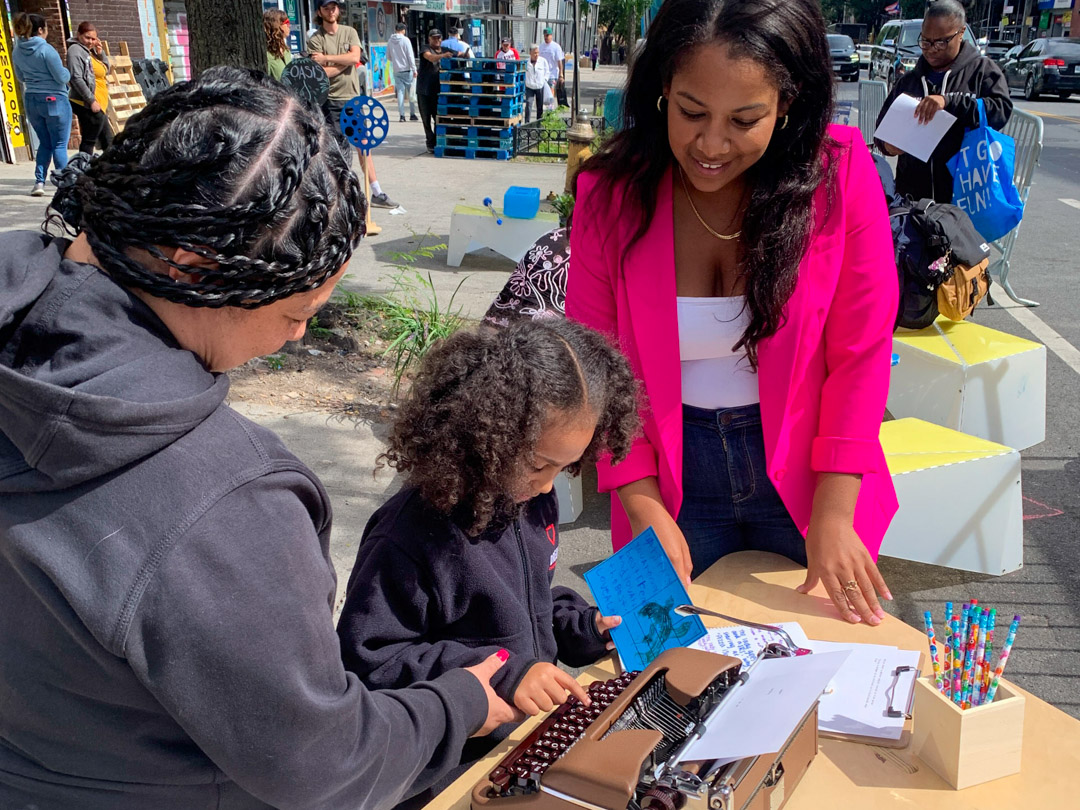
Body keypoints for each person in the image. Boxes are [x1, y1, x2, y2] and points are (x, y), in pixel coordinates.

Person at [0, 66, 515, 810]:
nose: (298, 337)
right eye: (296, 312)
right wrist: (454, 706)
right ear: (193, 267)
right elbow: (320, 764)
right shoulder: (224, 501)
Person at [567, 0, 899, 627]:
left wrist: (833, 512)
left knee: (824, 681)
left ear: (787, 103)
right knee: (665, 681)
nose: (711, 145)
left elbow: (861, 351)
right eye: (691, 112)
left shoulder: (839, 175)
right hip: (663, 475)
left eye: (745, 120)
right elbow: (595, 370)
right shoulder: (608, 196)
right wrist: (641, 502)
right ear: (663, 87)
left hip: (811, 476)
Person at [337, 318, 639, 806]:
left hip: (520, 744)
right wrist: (501, 671)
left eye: (567, 467)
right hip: (446, 770)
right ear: (485, 432)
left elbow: (528, 604)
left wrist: (583, 625)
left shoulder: (530, 500)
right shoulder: (410, 534)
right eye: (540, 464)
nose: (548, 485)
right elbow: (369, 660)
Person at [875, 1, 1012, 204]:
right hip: (913, 198)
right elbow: (882, 131)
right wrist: (889, 147)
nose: (931, 50)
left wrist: (949, 102)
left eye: (940, 42)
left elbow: (1000, 111)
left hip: (965, 197)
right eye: (925, 42)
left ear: (961, 32)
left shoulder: (983, 71)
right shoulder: (910, 81)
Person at [308, 0, 397, 208]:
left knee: (363, 146)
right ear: (319, 11)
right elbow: (321, 73)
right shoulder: (315, 39)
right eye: (327, 8)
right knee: (336, 151)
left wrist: (330, 59)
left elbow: (356, 56)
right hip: (329, 100)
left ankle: (377, 191)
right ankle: (339, 196)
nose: (332, 11)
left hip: (353, 99)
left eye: (334, 7)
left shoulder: (350, 32)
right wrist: (346, 62)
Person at [11, 13, 71, 197]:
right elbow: (61, 77)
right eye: (46, 29)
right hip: (54, 99)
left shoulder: (17, 50)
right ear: (40, 30)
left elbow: (21, 77)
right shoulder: (47, 50)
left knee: (44, 143)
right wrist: (67, 73)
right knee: (60, 144)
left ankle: (39, 182)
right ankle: (65, 184)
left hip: (32, 99)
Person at [66, 21, 112, 156]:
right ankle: (83, 167)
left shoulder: (89, 52)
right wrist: (91, 100)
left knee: (107, 140)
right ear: (78, 35)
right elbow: (76, 78)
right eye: (87, 37)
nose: (90, 41)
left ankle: (109, 170)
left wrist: (100, 52)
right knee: (90, 140)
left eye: (93, 38)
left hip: (99, 102)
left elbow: (106, 69)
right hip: (87, 103)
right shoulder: (75, 51)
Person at [418, 28, 457, 152]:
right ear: (429, 39)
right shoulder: (425, 48)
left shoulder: (445, 49)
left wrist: (465, 53)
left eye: (439, 37)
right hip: (424, 90)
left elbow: (459, 53)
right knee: (426, 118)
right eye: (434, 38)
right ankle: (430, 142)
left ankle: (436, 141)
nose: (437, 40)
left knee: (438, 117)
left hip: (438, 91)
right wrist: (443, 56)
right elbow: (430, 58)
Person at [388, 21, 418, 122]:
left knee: (400, 93)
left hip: (396, 70)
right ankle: (412, 114)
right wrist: (414, 68)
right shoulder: (406, 40)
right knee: (411, 93)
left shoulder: (390, 41)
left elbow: (388, 56)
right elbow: (410, 55)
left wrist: (396, 62)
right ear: (403, 30)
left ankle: (402, 116)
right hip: (407, 69)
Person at [539, 28, 566, 107]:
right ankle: (543, 107)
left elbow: (559, 61)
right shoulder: (541, 46)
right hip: (543, 74)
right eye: (545, 36)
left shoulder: (556, 47)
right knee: (542, 92)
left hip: (552, 74)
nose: (546, 37)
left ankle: (550, 108)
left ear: (551, 36)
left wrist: (561, 74)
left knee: (551, 90)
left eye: (547, 35)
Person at [524, 44, 551, 123]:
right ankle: (527, 123)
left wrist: (544, 80)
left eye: (537, 53)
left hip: (540, 86)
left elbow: (547, 72)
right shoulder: (526, 62)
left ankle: (539, 123)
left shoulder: (543, 61)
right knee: (528, 104)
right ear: (530, 53)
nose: (536, 55)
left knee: (540, 106)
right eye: (535, 53)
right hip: (529, 86)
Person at [264, 8, 293, 81]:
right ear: (278, 26)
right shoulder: (267, 54)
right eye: (287, 23)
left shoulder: (286, 51)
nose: (289, 26)